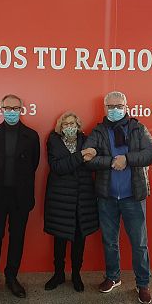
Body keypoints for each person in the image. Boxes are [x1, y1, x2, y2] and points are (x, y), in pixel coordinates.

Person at [84, 91, 152, 304]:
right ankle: (113, 277)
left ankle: (142, 284)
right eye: (110, 106)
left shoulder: (137, 128)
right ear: (105, 108)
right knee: (109, 240)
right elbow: (88, 158)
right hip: (106, 196)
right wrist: (111, 162)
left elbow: (150, 153)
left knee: (139, 243)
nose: (114, 109)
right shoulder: (98, 130)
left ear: (126, 106)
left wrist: (127, 159)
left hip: (133, 195)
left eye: (118, 105)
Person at [0, 94, 40, 304]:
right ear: (1, 109)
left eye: (15, 108)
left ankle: (12, 277)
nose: (11, 111)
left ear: (21, 109)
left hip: (20, 197)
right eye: (8, 108)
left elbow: (33, 165)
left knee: (17, 238)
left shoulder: (32, 136)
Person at [43, 112, 99, 292]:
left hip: (82, 198)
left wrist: (82, 157)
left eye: (73, 123)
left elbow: (92, 164)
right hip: (60, 199)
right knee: (59, 238)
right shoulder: (53, 140)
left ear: (78, 124)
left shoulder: (87, 140)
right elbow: (58, 167)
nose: (69, 126)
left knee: (79, 239)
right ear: (60, 126)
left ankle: (76, 274)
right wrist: (80, 156)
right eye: (65, 123)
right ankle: (58, 274)